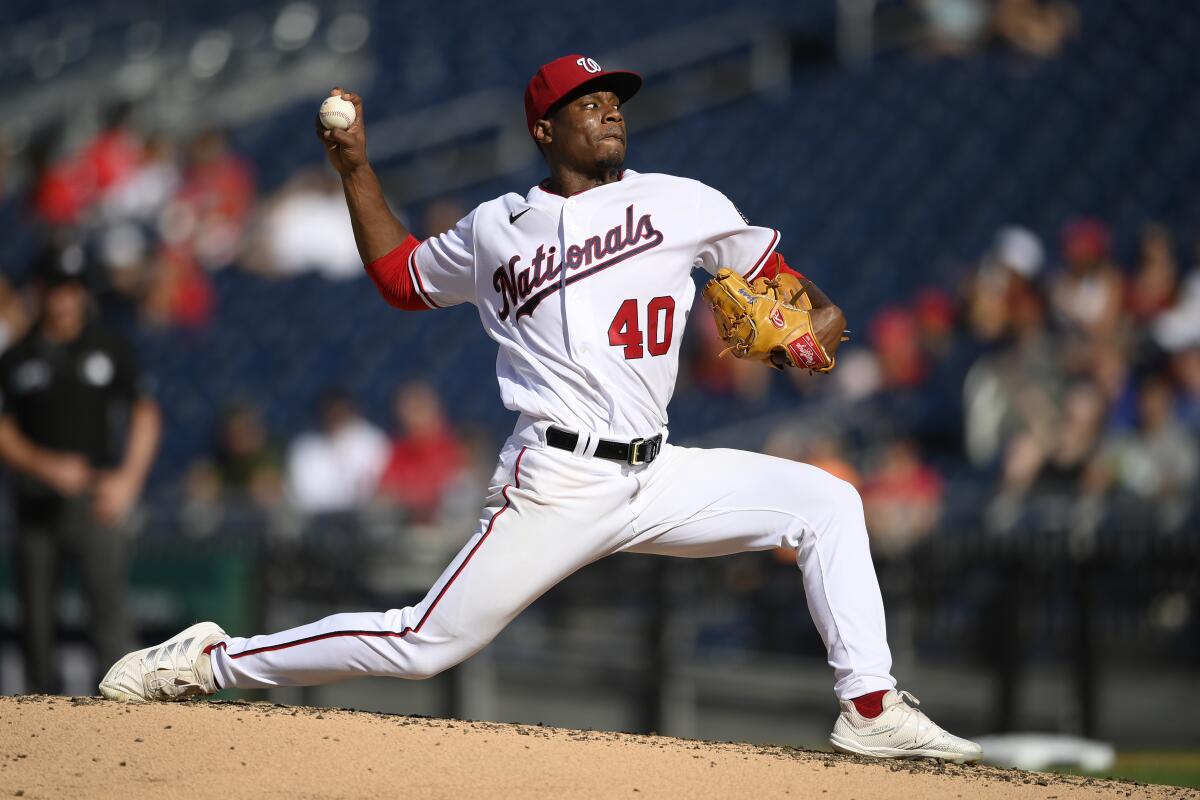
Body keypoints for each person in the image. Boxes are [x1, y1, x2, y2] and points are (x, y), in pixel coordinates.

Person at [100, 55, 982, 763]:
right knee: (424, 644)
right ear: (543, 128)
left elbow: (808, 307)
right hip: (555, 477)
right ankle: (207, 662)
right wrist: (358, 169)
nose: (608, 110)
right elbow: (401, 280)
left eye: (614, 99)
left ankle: (869, 706)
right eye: (586, 100)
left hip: (658, 469)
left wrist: (802, 333)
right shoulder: (495, 227)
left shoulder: (684, 203)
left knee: (826, 500)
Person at [0, 244, 160, 692]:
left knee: (110, 619)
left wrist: (128, 481)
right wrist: (45, 466)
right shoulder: (18, 357)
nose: (64, 299)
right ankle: (41, 728)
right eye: (55, 288)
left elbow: (145, 414)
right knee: (36, 625)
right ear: (41, 291)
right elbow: (3, 430)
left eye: (72, 288)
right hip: (35, 506)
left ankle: (123, 717)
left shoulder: (108, 346)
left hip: (95, 500)